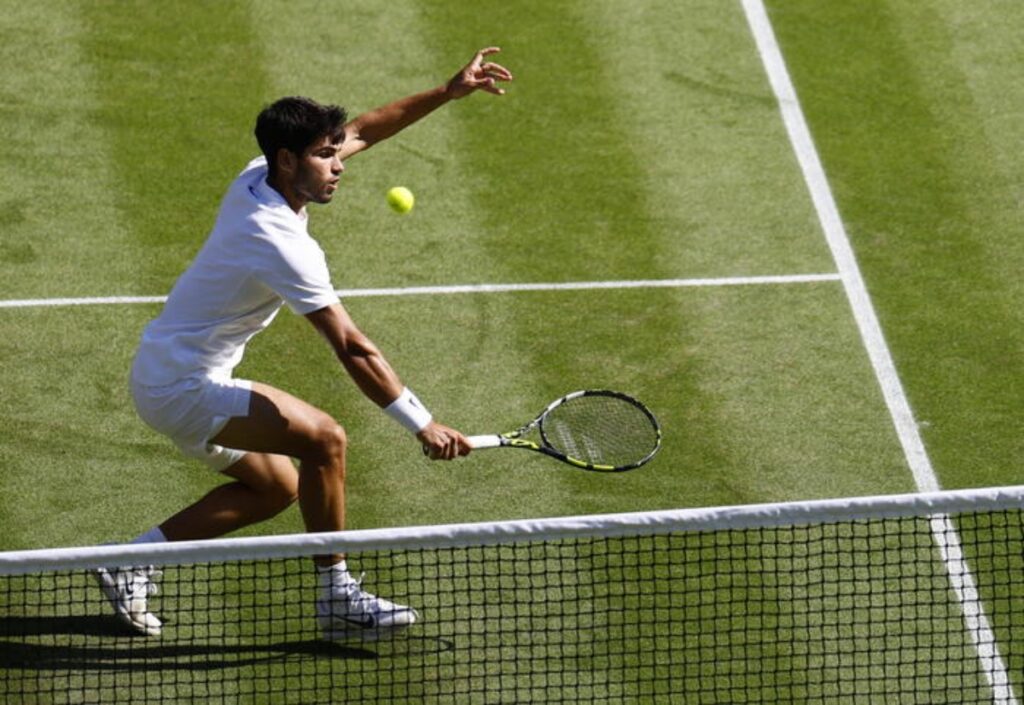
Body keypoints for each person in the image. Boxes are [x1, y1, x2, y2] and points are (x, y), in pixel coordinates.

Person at [95, 48, 514, 641]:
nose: (338, 165)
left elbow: (364, 129)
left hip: (164, 373)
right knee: (325, 439)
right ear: (288, 159)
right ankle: (338, 597)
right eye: (324, 155)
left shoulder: (260, 173)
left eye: (333, 152)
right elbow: (351, 346)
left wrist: (446, 93)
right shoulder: (278, 241)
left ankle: (131, 562)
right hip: (181, 387)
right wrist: (422, 423)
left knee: (276, 488)